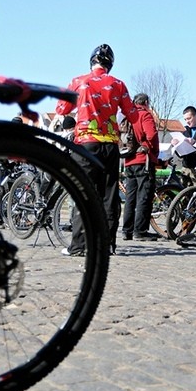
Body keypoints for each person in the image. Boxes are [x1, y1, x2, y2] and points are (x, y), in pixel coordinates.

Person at [55, 43, 137, 256]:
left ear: (92, 61)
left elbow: (61, 108)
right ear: (110, 64)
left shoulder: (79, 81)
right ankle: (107, 244)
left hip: (85, 144)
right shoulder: (118, 84)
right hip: (110, 146)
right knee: (110, 196)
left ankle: (80, 245)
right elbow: (134, 115)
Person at [121, 93, 160, 241]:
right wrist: (153, 152)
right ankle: (140, 231)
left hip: (129, 161)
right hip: (143, 160)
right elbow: (151, 135)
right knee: (144, 196)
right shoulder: (145, 115)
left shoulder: (128, 116)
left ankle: (127, 230)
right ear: (146, 102)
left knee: (130, 198)